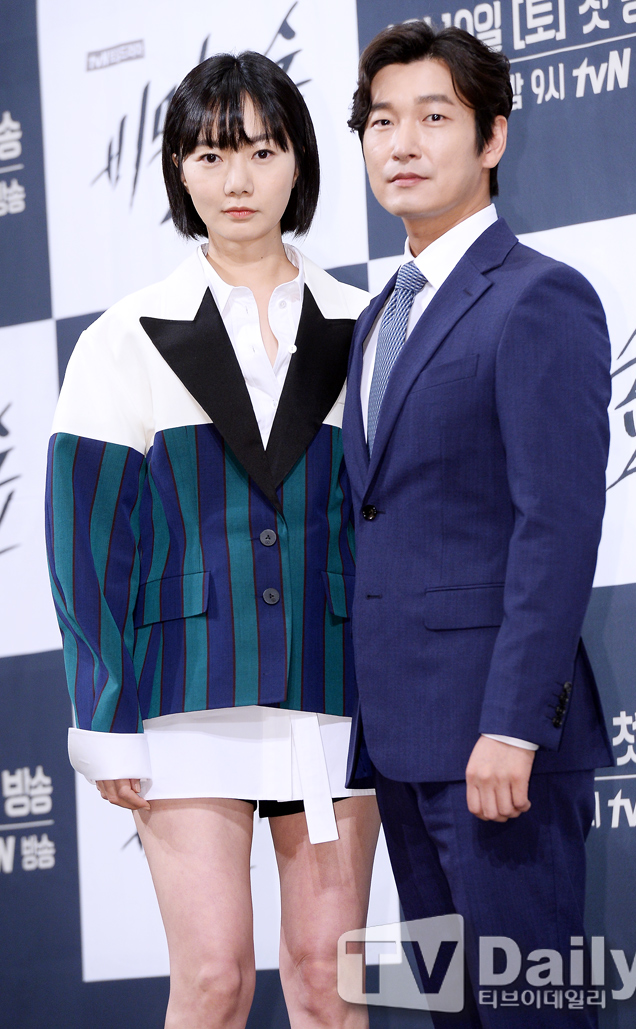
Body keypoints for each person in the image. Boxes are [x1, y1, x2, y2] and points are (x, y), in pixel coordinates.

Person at [46, 51, 380, 1029]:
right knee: (214, 979)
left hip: (332, 684)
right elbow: (86, 541)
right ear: (178, 170)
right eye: (210, 154)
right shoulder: (125, 336)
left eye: (263, 152)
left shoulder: (365, 326)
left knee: (328, 982)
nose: (238, 180)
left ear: (299, 161)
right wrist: (103, 711)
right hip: (185, 694)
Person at [342, 22, 613, 1028]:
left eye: (433, 117)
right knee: (455, 1015)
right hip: (402, 749)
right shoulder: (378, 317)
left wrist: (512, 723)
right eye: (381, 122)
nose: (401, 144)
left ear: (492, 137)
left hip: (499, 751)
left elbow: (557, 526)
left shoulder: (539, 297)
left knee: (533, 1013)